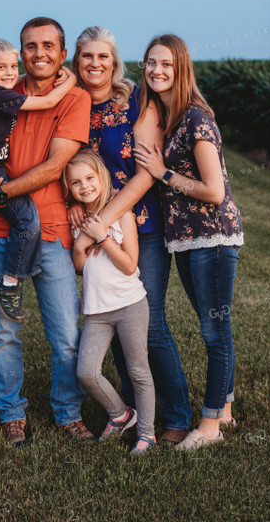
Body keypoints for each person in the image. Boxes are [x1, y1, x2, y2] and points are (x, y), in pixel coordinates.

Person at [0, 17, 94, 447]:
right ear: (19, 52)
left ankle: (68, 411)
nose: (39, 54)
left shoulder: (73, 99)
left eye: (48, 46)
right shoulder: (3, 91)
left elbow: (55, 167)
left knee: (67, 335)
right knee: (4, 331)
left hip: (51, 228)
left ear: (62, 50)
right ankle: (11, 413)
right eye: (30, 46)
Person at [69, 26, 192, 444]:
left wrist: (101, 222)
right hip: (97, 229)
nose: (95, 64)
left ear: (114, 60)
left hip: (143, 226)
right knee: (113, 319)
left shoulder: (138, 100)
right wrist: (74, 205)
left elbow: (145, 174)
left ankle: (176, 414)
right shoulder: (73, 108)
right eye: (87, 56)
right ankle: (130, 409)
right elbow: (67, 167)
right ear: (77, 61)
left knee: (150, 322)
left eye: (103, 56)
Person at [134, 33, 243, 450]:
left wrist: (163, 173)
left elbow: (214, 191)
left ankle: (210, 426)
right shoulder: (172, 117)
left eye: (166, 65)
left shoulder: (196, 118)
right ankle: (226, 409)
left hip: (212, 238)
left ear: (181, 71)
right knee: (213, 327)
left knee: (215, 332)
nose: (156, 70)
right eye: (150, 63)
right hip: (186, 242)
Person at [0, 38, 77, 321]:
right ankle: (8, 284)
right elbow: (47, 101)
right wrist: (70, 79)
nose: (11, 73)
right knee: (27, 220)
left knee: (14, 213)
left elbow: (12, 78)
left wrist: (13, 73)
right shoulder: (0, 97)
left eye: (14, 66)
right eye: (2, 67)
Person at [63, 150, 156, 455]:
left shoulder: (122, 214)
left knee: (138, 370)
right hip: (96, 311)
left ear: (101, 176)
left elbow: (130, 265)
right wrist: (80, 243)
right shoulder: (76, 218)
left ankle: (147, 434)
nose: (85, 186)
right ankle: (120, 415)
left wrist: (102, 238)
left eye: (90, 178)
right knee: (86, 372)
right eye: (76, 182)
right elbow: (80, 267)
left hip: (130, 304)